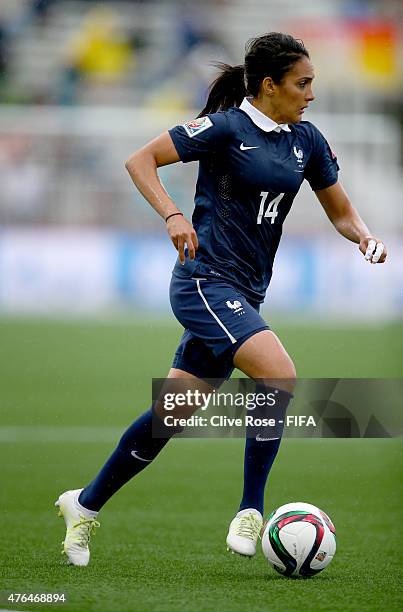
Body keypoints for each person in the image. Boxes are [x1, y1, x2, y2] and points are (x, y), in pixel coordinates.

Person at [55, 32, 387, 566]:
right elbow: (141, 160)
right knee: (278, 373)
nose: (311, 94)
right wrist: (173, 214)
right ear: (269, 85)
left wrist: (365, 237)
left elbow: (340, 210)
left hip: (246, 292)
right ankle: (251, 510)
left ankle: (84, 505)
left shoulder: (308, 140)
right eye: (302, 84)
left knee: (173, 412)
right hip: (203, 282)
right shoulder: (225, 127)